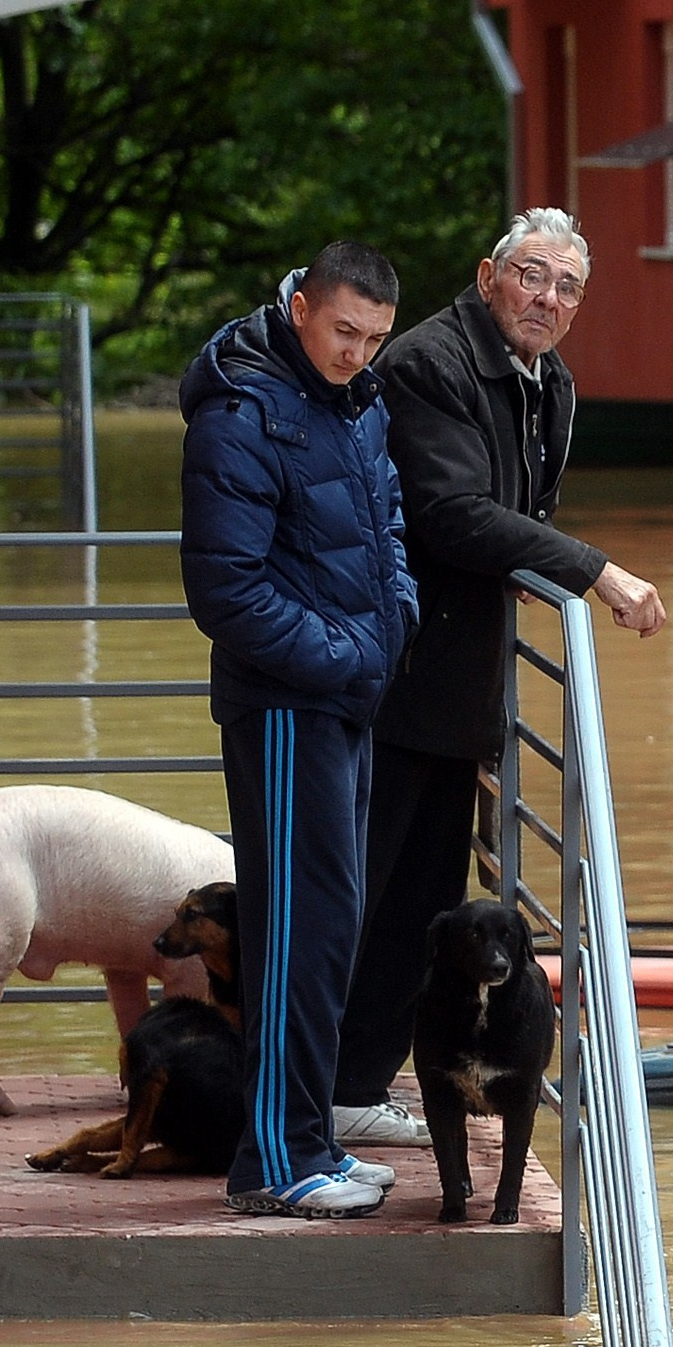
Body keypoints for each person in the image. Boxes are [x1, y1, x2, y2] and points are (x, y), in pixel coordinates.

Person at [329, 209, 664, 1146]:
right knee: (359, 895)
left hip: (458, 685)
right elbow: (452, 514)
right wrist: (594, 572)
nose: (547, 299)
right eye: (531, 276)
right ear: (489, 276)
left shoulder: (548, 382)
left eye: (567, 287)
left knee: (426, 906)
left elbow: (514, 509)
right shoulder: (431, 363)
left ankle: (356, 1086)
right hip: (389, 674)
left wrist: (530, 563)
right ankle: (305, 1091)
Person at [179, 241, 420, 1218]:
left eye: (374, 338)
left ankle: (309, 1140)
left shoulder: (354, 401)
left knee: (330, 930)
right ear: (300, 305)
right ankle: (276, 1162)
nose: (356, 352)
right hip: (285, 710)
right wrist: (347, 657)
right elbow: (225, 590)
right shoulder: (240, 416)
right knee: (292, 934)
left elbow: (388, 532)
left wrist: (391, 626)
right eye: (342, 330)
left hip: (345, 697)